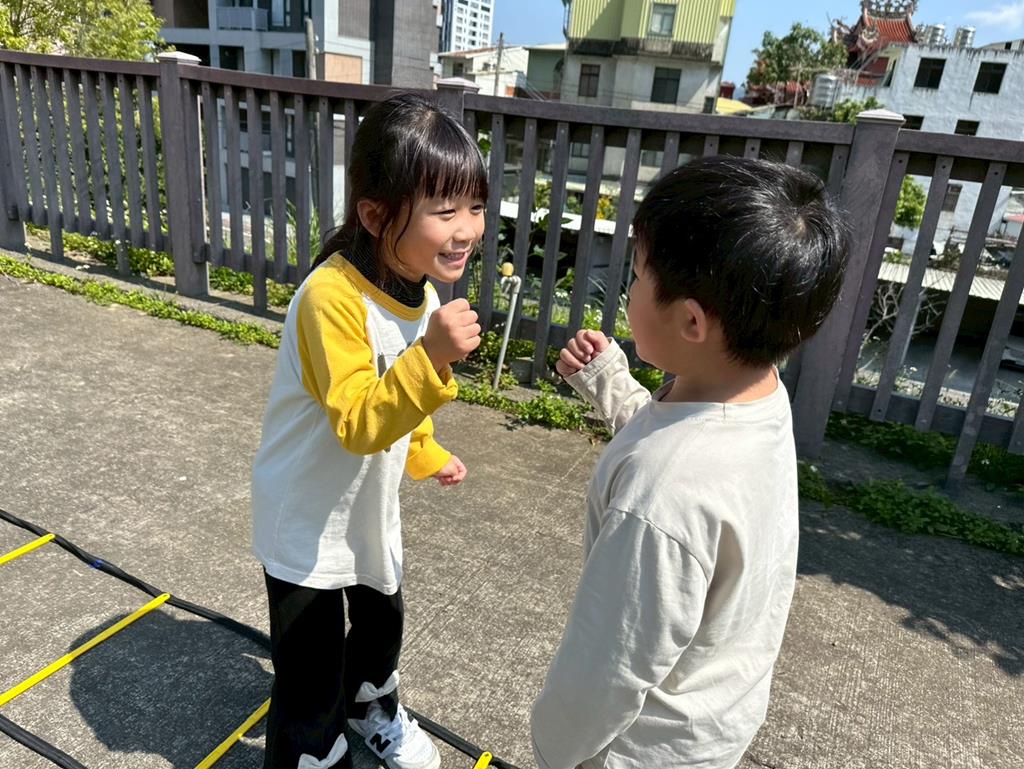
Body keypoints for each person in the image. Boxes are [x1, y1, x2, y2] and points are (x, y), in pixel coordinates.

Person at [531, 156, 850, 769]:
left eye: (636, 276)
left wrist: (552, 751)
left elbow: (607, 671)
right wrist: (611, 384)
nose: (628, 291)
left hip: (636, 749)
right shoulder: (759, 393)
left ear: (692, 321)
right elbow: (685, 439)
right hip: (712, 721)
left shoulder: (659, 497)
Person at [251, 92, 487, 769]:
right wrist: (432, 356)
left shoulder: (423, 292)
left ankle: (371, 706)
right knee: (310, 667)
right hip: (305, 522)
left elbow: (400, 400)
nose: (467, 229)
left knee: (383, 622)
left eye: (474, 205)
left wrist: (426, 450)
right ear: (376, 214)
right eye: (444, 211)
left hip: (364, 511)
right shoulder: (332, 298)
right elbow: (358, 418)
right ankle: (314, 755)